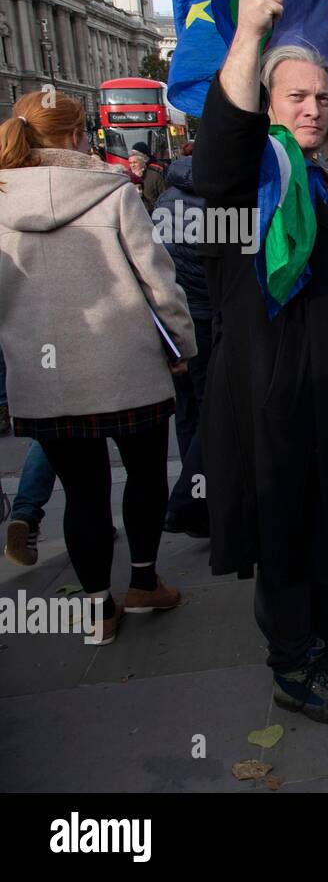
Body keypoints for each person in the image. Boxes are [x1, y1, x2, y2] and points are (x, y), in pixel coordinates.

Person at [192, 0, 328, 725]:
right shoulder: (253, 176)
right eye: (297, 97)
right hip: (271, 395)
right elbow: (220, 146)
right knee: (285, 533)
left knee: (326, 526)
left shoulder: (316, 179)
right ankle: (296, 667)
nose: (314, 108)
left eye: (323, 97)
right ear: (269, 102)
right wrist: (251, 32)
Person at [0, 90, 197, 645]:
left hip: (44, 378)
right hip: (127, 365)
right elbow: (159, 282)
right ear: (73, 137)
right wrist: (182, 345)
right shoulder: (112, 192)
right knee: (145, 477)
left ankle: (96, 612)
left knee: (81, 493)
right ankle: (142, 583)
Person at [152, 153, 215, 538]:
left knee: (188, 409)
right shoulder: (220, 201)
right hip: (207, 317)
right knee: (213, 410)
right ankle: (190, 503)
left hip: (172, 320)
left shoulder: (166, 197)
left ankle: (197, 502)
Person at [128, 142, 167, 212]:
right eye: (130, 163)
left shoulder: (155, 176)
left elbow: (165, 196)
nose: (132, 165)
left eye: (135, 162)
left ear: (143, 162)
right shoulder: (127, 179)